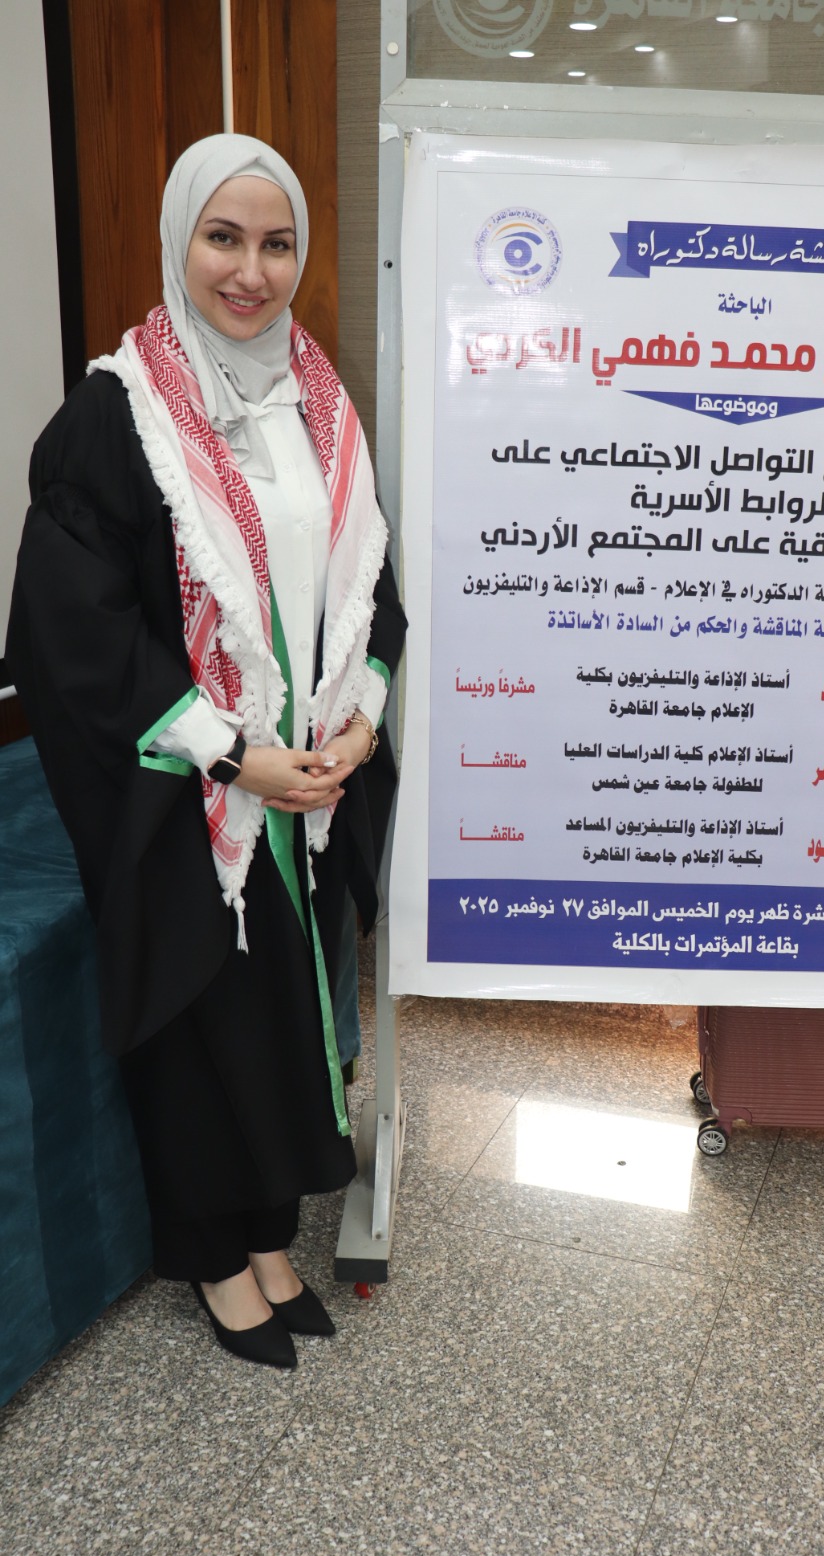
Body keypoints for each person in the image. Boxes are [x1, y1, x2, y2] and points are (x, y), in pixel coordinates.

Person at [6, 134, 406, 1370]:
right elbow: (73, 635)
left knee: (282, 1014)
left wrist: (361, 717)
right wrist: (234, 757)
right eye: (222, 238)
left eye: (276, 243)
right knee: (202, 1021)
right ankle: (213, 1256)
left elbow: (371, 587)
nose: (251, 270)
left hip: (308, 781)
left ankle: (269, 1235)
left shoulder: (319, 404)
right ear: (178, 242)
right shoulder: (111, 414)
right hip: (188, 796)